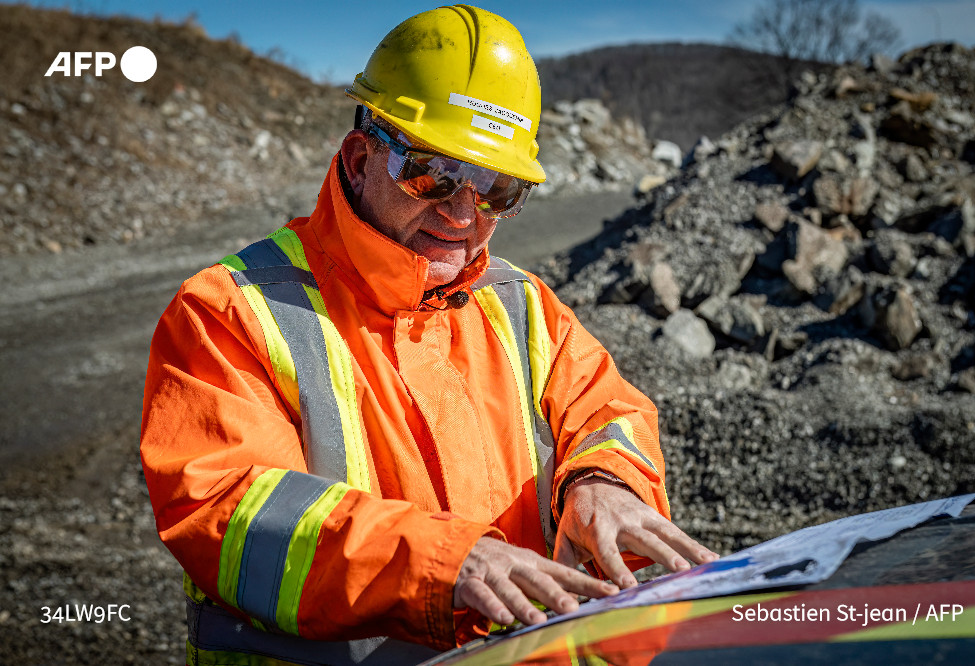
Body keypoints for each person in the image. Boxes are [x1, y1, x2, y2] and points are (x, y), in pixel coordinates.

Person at [140, 5, 717, 665]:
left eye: (496, 189)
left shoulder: (523, 307)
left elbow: (609, 413)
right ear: (359, 160)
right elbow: (230, 510)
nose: (463, 212)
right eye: (433, 173)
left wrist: (604, 482)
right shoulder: (228, 312)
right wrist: (444, 564)